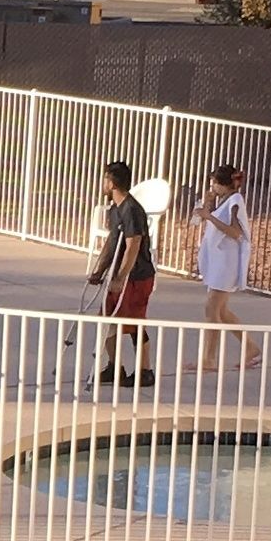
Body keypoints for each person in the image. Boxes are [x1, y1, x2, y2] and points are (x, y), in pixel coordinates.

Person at [86, 160, 155, 386]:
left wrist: (121, 277)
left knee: (133, 322)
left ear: (112, 182)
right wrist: (100, 270)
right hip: (119, 275)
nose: (103, 184)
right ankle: (115, 367)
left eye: (105, 179)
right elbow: (112, 242)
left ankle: (145, 370)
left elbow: (133, 244)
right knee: (107, 319)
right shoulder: (115, 209)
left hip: (136, 276)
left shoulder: (132, 210)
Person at [193, 159, 261, 374]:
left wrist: (210, 216)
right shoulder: (223, 200)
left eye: (214, 184)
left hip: (226, 262)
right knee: (221, 310)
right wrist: (207, 203)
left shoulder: (235, 202)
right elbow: (200, 217)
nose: (212, 187)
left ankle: (209, 358)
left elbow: (235, 232)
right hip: (218, 260)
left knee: (211, 309)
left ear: (224, 184)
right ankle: (251, 347)